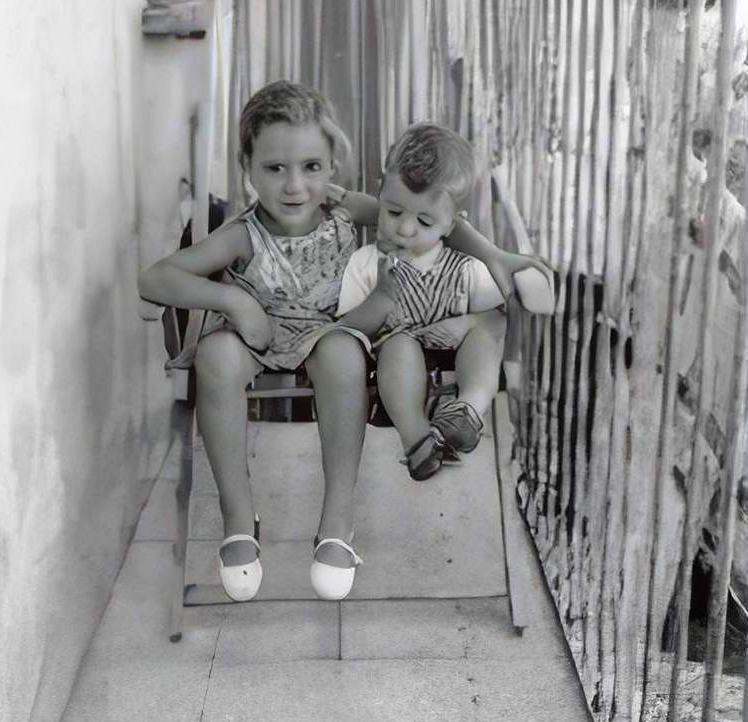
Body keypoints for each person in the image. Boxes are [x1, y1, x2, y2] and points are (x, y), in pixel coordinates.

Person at [139, 81, 551, 603]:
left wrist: (495, 255)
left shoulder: (343, 209)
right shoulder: (243, 234)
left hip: (333, 333)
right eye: (275, 168)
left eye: (311, 166)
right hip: (254, 336)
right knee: (215, 353)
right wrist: (234, 302)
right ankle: (238, 520)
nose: (295, 186)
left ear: (332, 166)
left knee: (340, 351)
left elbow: (434, 214)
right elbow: (155, 279)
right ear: (247, 167)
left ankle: (336, 523)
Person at [337, 123, 513, 480]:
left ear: (451, 225)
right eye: (394, 212)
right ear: (380, 195)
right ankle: (417, 439)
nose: (405, 229)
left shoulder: (465, 268)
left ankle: (467, 411)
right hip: (393, 373)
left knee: (485, 334)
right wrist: (380, 299)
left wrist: (466, 322)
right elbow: (345, 332)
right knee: (399, 345)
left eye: (424, 220)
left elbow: (501, 317)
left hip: (456, 358)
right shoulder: (366, 263)